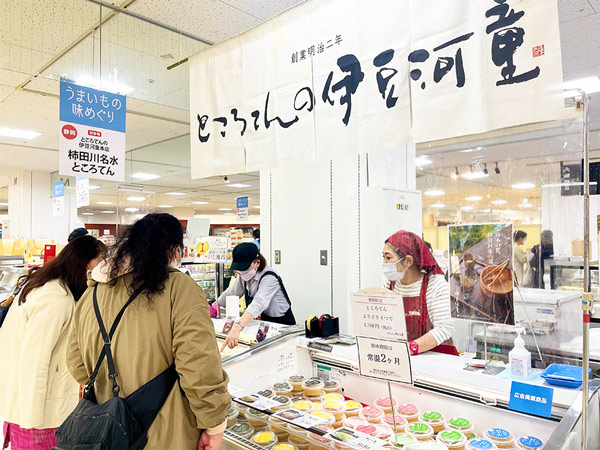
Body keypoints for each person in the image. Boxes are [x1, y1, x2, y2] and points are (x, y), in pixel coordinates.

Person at [66, 213, 231, 450]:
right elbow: (198, 365)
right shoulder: (180, 289)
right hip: (166, 432)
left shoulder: (91, 294)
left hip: (106, 431)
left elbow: (75, 362)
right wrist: (214, 425)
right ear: (175, 251)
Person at [0, 235, 106, 450]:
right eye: (100, 261)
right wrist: (32, 417)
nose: (102, 267)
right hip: (38, 415)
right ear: (85, 263)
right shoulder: (55, 298)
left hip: (35, 408)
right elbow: (34, 359)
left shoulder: (49, 286)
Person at [382, 230, 458, 356]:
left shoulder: (435, 284)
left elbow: (445, 328)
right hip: (403, 358)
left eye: (388, 257)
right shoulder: (390, 284)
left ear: (408, 261)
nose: (384, 262)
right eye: (383, 257)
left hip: (437, 358)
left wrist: (410, 348)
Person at [218, 243, 295, 350]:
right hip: (263, 324)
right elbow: (230, 293)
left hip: (280, 324)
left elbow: (258, 304)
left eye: (244, 268)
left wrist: (237, 327)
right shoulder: (243, 276)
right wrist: (214, 307)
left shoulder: (269, 277)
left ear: (257, 263)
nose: (241, 272)